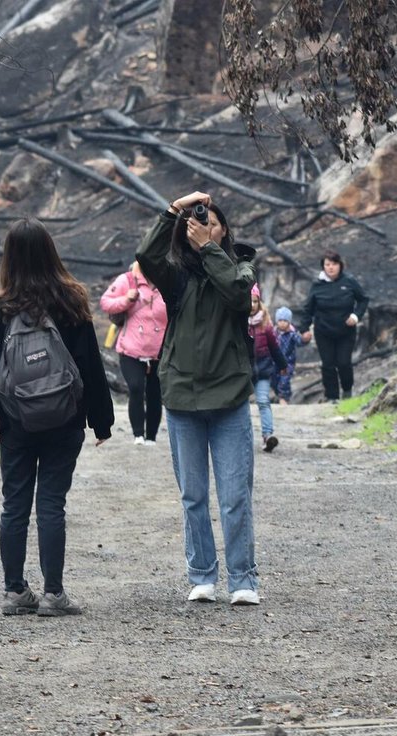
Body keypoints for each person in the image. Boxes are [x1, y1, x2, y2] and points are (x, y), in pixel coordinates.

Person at [0, 219, 113, 618]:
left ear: (9, 258)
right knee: (51, 504)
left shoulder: (0, 307)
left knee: (14, 504)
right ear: (52, 251)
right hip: (65, 421)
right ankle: (53, 594)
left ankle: (15, 591)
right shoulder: (72, 300)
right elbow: (90, 367)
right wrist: (102, 422)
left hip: (16, 421)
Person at [135, 190, 262, 606]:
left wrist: (209, 249)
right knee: (193, 495)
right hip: (183, 397)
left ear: (223, 229)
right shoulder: (176, 276)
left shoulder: (242, 266)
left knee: (235, 496)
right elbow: (146, 256)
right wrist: (172, 209)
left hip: (229, 398)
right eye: (196, 220)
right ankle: (202, 575)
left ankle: (242, 580)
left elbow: (238, 297)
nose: (203, 222)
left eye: (211, 220)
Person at [99, 260, 167, 445]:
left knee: (155, 393)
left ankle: (151, 436)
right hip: (130, 348)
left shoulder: (168, 282)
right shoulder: (128, 280)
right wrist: (127, 299)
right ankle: (138, 434)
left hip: (158, 350)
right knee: (136, 388)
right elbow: (105, 302)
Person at [300, 250, 369, 402]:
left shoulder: (349, 281)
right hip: (323, 331)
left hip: (346, 330)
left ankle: (347, 391)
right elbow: (308, 309)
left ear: (340, 265)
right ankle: (331, 397)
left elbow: (363, 300)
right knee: (328, 364)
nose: (331, 267)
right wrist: (304, 329)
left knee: (344, 363)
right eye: (327, 264)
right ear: (323, 267)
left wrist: (356, 315)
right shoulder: (317, 285)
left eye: (334, 264)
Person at [249, 287, 289, 452]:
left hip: (264, 370)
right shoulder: (237, 322)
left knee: (263, 401)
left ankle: (267, 435)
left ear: (260, 303)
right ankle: (241, 437)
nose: (252, 304)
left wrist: (282, 365)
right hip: (244, 372)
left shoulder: (265, 324)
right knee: (240, 406)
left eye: (255, 301)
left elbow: (274, 347)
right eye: (249, 301)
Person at [273, 306, 311, 404]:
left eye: (285, 320)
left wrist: (304, 339)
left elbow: (299, 342)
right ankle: (282, 395)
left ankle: (283, 398)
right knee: (274, 380)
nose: (282, 323)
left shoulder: (292, 334)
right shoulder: (273, 332)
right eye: (280, 320)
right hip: (274, 362)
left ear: (289, 322)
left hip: (287, 362)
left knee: (284, 380)